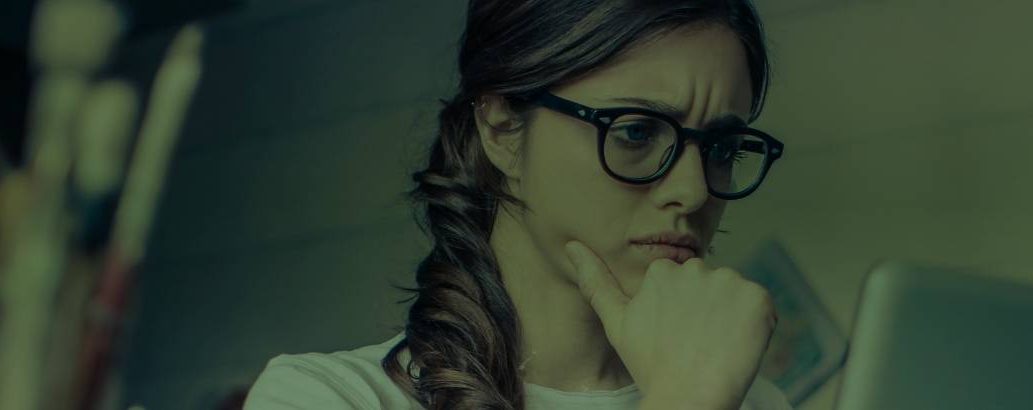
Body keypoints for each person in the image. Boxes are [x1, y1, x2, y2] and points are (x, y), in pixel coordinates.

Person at [243, 0, 791, 409]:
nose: (694, 192)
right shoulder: (327, 397)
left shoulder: (753, 400)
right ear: (502, 126)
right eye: (636, 132)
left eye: (721, 148)